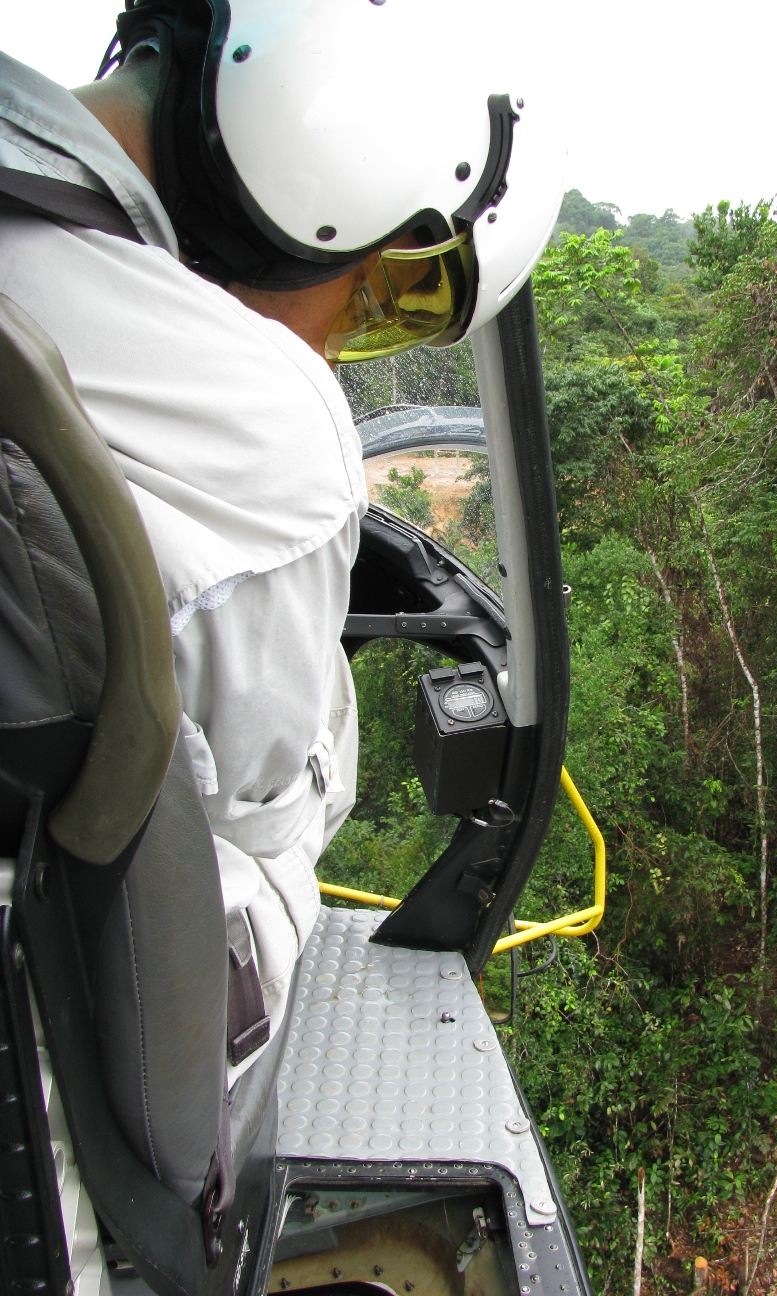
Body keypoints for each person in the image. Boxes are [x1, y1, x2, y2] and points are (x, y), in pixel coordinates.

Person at [0, 0, 564, 1079]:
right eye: (390, 295)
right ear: (334, 175)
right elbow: (255, 807)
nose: (348, 343)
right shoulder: (266, 425)